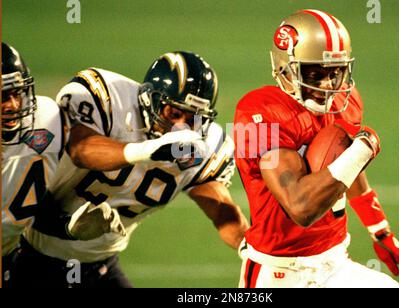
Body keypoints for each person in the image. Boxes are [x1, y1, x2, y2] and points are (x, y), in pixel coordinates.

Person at [15, 51, 249, 288]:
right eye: (174, 113)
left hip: (99, 263)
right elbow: (81, 149)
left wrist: (253, 251)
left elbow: (222, 211)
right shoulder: (111, 99)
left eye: (193, 118)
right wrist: (147, 150)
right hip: (27, 252)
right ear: (151, 99)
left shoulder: (206, 144)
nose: (182, 127)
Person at [233, 9, 399, 288]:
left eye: (335, 73)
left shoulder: (345, 104)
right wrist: (361, 150)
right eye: (315, 74)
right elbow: (301, 208)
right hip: (278, 273)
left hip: (336, 263)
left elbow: (344, 170)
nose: (327, 85)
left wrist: (381, 231)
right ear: (285, 68)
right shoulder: (262, 112)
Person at [1, 42, 66, 287]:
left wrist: (70, 224)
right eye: (2, 96)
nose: (13, 105)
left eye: (16, 93)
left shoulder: (46, 120)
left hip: (14, 258)